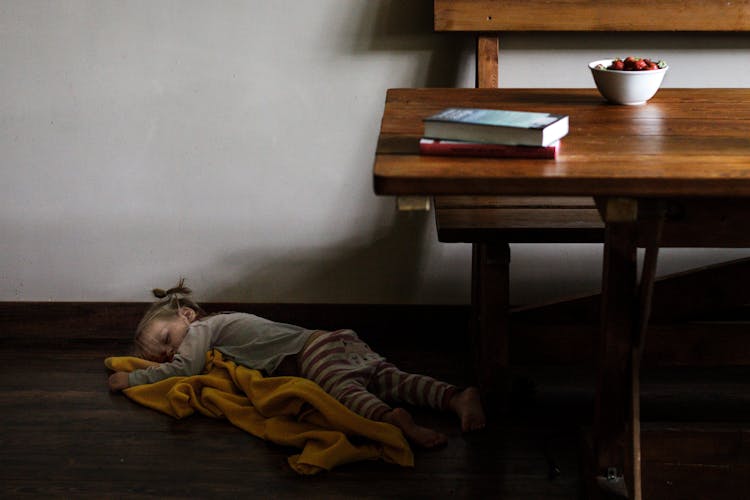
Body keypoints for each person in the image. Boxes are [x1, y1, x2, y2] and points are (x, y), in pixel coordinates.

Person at [108, 280, 486, 448]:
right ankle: (454, 398)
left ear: (187, 314)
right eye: (161, 355)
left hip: (313, 353)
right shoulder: (215, 328)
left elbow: (184, 370)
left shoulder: (201, 329)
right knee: (390, 378)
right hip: (334, 341)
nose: (171, 354)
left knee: (343, 391)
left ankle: (396, 421)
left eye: (166, 340)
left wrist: (136, 376)